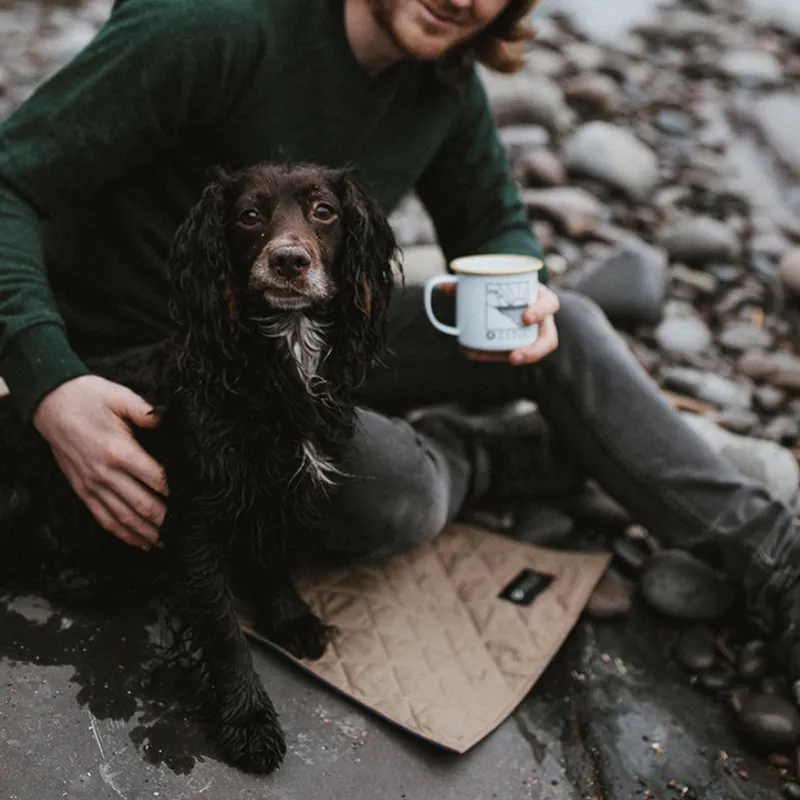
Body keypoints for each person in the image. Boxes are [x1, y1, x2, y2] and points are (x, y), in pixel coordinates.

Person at [0, 0, 799, 672]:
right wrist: (50, 383)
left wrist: (519, 290)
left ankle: (777, 567)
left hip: (305, 339)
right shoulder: (213, 26)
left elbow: (495, 224)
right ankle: (495, 456)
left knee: (573, 327)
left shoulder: (441, 78)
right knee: (390, 488)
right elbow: (10, 182)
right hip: (145, 368)